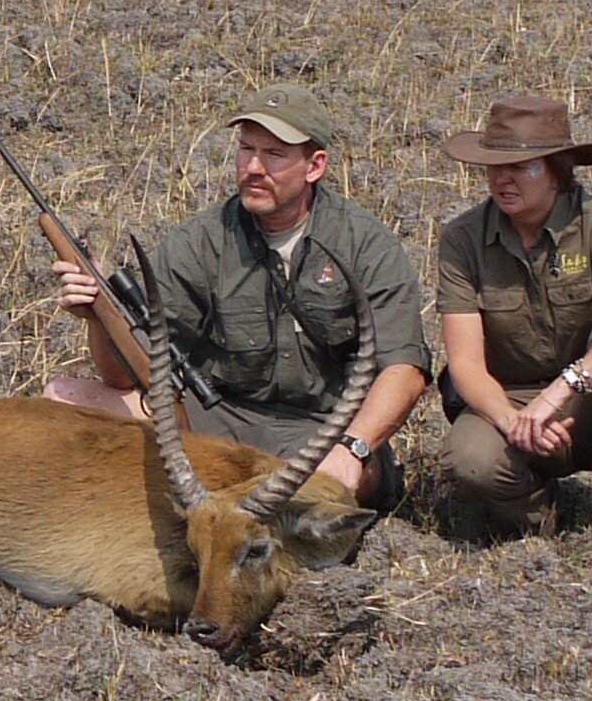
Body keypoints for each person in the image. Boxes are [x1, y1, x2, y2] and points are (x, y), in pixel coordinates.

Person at [48, 82, 435, 506]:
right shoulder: (199, 241)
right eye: (246, 149)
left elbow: (405, 371)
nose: (253, 167)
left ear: (315, 166)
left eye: (274, 155)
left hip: (323, 432)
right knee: (64, 398)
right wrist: (98, 318)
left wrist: (353, 449)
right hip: (216, 421)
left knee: (320, 495)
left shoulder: (365, 243)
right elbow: (125, 376)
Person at [430, 95, 592, 568]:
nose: (504, 180)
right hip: (515, 405)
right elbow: (465, 367)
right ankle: (537, 515)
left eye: (523, 167)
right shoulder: (461, 240)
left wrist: (563, 388)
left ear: (558, 169)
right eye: (494, 167)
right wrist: (513, 421)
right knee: (469, 461)